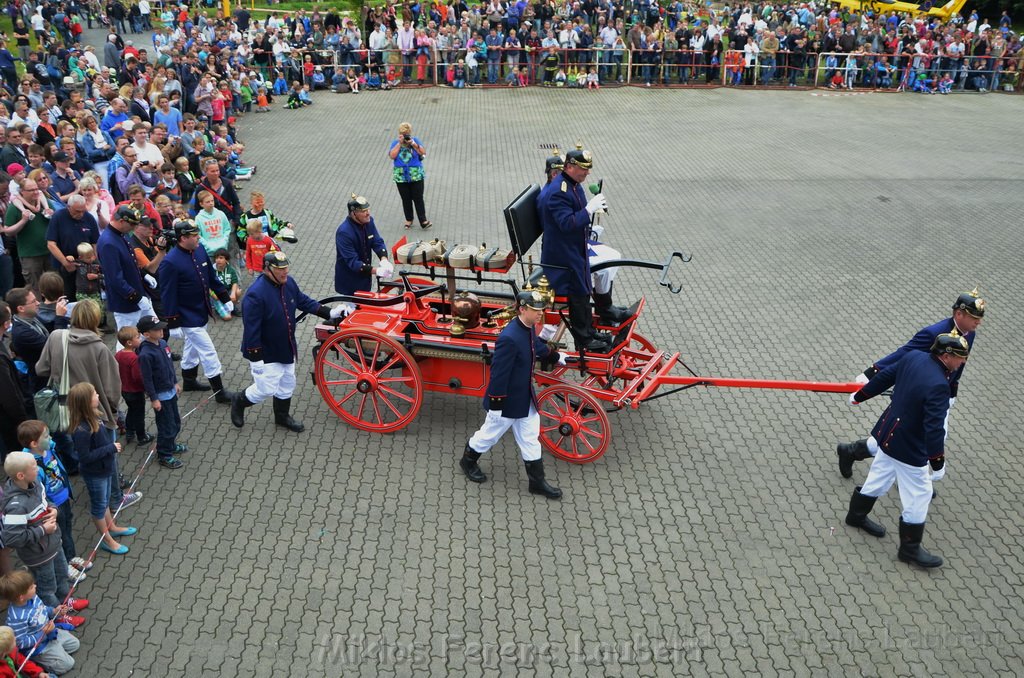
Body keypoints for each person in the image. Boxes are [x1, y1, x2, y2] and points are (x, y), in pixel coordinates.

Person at [843, 330, 971, 569]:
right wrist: (937, 462)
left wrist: (859, 397)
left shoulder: (914, 356)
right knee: (920, 493)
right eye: (960, 357)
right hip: (909, 447)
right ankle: (909, 549)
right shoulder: (939, 386)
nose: (963, 362)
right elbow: (934, 430)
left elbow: (885, 377)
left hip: (888, 432)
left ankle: (856, 516)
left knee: (880, 475)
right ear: (946, 356)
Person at [836, 289, 985, 481]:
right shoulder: (934, 333)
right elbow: (903, 354)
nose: (978, 322)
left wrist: (952, 392)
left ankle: (852, 452)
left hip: (939, 394)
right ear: (959, 314)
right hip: (916, 395)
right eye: (974, 317)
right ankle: (914, 480)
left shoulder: (969, 333)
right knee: (917, 436)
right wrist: (870, 373)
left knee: (920, 436)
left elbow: (958, 368)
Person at [460, 290, 564, 499]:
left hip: (524, 398)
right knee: (488, 435)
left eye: (541, 310)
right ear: (522, 309)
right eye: (536, 310)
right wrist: (496, 406)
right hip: (506, 403)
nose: (540, 314)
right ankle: (467, 461)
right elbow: (499, 375)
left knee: (530, 439)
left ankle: (537, 482)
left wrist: (557, 356)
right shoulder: (509, 338)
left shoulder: (527, 328)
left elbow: (537, 346)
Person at [232, 251, 342, 433]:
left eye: (285, 267)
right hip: (265, 351)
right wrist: (255, 359)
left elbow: (303, 301)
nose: (284, 272)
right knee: (266, 388)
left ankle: (282, 417)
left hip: (286, 345)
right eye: (279, 268)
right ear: (267, 269)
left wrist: (329, 312)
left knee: (287, 382)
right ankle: (239, 400)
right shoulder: (255, 294)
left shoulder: (288, 282)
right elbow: (252, 330)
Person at [538, 148, 625, 353]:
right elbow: (567, 223)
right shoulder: (559, 192)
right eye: (582, 169)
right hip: (561, 253)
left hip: (573, 246)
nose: (586, 173)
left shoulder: (573, 185)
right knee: (578, 291)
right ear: (569, 167)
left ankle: (589, 330)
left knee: (584, 287)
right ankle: (583, 338)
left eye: (587, 169)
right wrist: (589, 210)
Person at [157, 219, 235, 402]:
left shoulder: (199, 250)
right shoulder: (170, 261)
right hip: (186, 316)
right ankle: (220, 392)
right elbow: (167, 294)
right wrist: (173, 322)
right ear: (183, 238)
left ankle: (189, 380)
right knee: (208, 351)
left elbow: (210, 277)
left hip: (201, 311)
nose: (198, 237)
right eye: (194, 235)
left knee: (192, 348)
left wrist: (225, 298)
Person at [0, 450, 81, 610]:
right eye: (33, 466)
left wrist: (54, 509)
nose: (37, 467)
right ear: (21, 476)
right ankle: (56, 616)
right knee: (47, 588)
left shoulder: (36, 483)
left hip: (54, 545)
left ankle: (66, 601)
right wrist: (43, 530)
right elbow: (13, 538)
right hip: (39, 556)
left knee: (62, 575)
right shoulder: (15, 507)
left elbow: (46, 501)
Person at [67, 381, 138, 555]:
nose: (98, 396)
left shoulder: (94, 416)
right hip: (95, 473)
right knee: (99, 507)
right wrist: (110, 448)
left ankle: (112, 527)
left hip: (104, 469)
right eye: (94, 395)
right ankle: (106, 540)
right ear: (85, 402)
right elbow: (85, 457)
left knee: (105, 501)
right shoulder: (81, 430)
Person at [18, 421, 91, 582]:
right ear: (34, 443)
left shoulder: (46, 447)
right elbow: (37, 492)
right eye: (46, 435)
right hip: (52, 506)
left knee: (67, 526)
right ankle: (64, 567)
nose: (50, 438)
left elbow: (54, 443)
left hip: (63, 496)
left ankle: (71, 557)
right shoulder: (31, 465)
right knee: (59, 534)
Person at [0, 570, 80, 675]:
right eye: (31, 587)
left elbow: (43, 609)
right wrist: (43, 633)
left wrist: (54, 611)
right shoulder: (16, 618)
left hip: (49, 632)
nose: (35, 586)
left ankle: (56, 651)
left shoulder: (33, 597)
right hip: (39, 647)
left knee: (75, 644)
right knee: (68, 664)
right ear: (21, 597)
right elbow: (21, 643)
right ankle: (42, 661)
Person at [136, 315, 186, 469]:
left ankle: (170, 445)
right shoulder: (145, 355)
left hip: (170, 390)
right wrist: (154, 399)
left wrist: (175, 382)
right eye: (156, 330)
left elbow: (170, 365)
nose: (162, 331)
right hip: (161, 396)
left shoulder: (163, 343)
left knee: (176, 422)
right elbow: (147, 379)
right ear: (146, 334)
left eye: (161, 327)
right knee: (166, 426)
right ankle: (164, 454)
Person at [97, 205, 153, 332]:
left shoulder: (121, 234)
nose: (134, 228)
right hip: (126, 302)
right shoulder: (108, 243)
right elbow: (115, 278)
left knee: (151, 331)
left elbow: (129, 263)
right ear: (121, 221)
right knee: (127, 341)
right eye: (132, 225)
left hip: (137, 294)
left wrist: (143, 275)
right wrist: (136, 297)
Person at [334, 194, 393, 296]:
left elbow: (377, 242)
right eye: (363, 211)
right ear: (353, 213)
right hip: (350, 284)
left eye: (368, 209)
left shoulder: (369, 222)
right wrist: (377, 271)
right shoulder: (344, 233)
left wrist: (384, 259)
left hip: (365, 280)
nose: (367, 213)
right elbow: (353, 262)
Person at [45, 196, 99, 302]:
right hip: (66, 265)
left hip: (86, 266)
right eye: (77, 211)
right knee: (68, 297)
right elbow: (51, 244)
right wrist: (65, 263)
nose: (81, 214)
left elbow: (95, 242)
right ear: (68, 207)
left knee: (90, 297)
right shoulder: (58, 217)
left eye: (83, 211)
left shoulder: (89, 218)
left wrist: (94, 257)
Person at [388, 122, 432, 230]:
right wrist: (399, 143)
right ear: (400, 134)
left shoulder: (415, 140)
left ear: (410, 133)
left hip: (416, 174)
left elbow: (423, 152)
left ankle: (423, 220)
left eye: (406, 134)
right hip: (401, 175)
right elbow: (392, 156)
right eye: (403, 134)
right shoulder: (395, 143)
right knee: (406, 198)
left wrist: (413, 143)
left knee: (418, 198)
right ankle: (409, 219)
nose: (405, 136)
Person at [115, 326, 153, 447]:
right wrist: (146, 389)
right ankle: (142, 436)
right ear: (130, 342)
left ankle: (129, 431)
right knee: (139, 414)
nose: (140, 338)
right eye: (137, 337)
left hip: (124, 390)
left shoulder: (118, 355)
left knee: (131, 410)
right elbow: (138, 377)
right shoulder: (134, 358)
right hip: (135, 392)